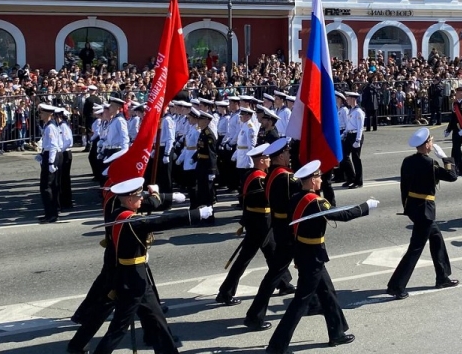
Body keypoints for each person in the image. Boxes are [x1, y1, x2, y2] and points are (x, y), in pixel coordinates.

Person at [266, 160, 377, 354]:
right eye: (318, 177)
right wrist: (364, 207)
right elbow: (341, 215)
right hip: (313, 256)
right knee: (300, 301)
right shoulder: (316, 202)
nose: (321, 180)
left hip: (305, 252)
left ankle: (337, 333)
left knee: (328, 293)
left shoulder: (297, 198)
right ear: (310, 180)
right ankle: (277, 345)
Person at [92, 177, 212, 354]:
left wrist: (162, 196)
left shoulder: (117, 213)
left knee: (157, 321)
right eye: (139, 196)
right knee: (118, 329)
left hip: (138, 278)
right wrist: (195, 215)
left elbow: (154, 211)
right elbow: (163, 222)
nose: (142, 198)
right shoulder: (131, 221)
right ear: (130, 200)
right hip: (131, 281)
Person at [386, 127, 459, 299]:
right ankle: (396, 286)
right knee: (415, 249)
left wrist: (407, 206)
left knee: (436, 239)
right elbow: (452, 176)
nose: (432, 143)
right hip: (425, 211)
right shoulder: (430, 164)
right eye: (431, 141)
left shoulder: (407, 161)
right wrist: (446, 159)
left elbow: (403, 186)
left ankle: (442, 276)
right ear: (426, 145)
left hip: (413, 207)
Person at [216, 143, 291, 307]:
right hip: (260, 222)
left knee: (273, 254)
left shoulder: (251, 175)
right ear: (262, 160)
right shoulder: (260, 179)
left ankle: (284, 283)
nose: (270, 161)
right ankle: (225, 292)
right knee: (246, 258)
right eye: (267, 158)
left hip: (257, 220)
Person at [245, 138, 302, 330]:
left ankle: (317, 304)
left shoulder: (272, 174)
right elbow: (297, 200)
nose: (289, 156)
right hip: (289, 231)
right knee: (275, 275)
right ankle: (254, 315)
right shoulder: (286, 178)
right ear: (281, 155)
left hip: (280, 227)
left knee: (314, 272)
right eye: (287, 153)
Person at [37, 103, 62, 224]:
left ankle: (51, 214)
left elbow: (53, 146)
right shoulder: (48, 125)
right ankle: (49, 212)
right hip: (47, 155)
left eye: (42, 112)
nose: (40, 114)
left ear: (48, 114)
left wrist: (51, 162)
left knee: (47, 187)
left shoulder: (51, 127)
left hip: (51, 156)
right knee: (46, 186)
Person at [445, 86, 462, 175]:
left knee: (456, 149)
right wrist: (448, 129)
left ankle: (460, 169)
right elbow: (453, 118)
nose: (456, 94)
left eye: (458, 92)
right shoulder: (455, 104)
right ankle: (458, 169)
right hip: (456, 130)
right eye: (456, 92)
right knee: (455, 149)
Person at [342, 92, 365, 188]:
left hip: (356, 135)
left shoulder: (359, 111)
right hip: (349, 134)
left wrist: (358, 140)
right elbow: (348, 125)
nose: (347, 100)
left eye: (348, 98)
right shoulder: (350, 110)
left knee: (356, 159)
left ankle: (358, 181)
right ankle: (351, 177)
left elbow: (360, 127)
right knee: (344, 156)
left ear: (353, 99)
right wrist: (344, 133)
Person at [56, 107, 75, 210]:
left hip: (65, 153)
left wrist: (60, 149)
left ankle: (67, 202)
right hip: (63, 152)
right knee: (62, 179)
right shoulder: (60, 125)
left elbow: (68, 141)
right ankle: (64, 201)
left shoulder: (63, 126)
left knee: (64, 179)